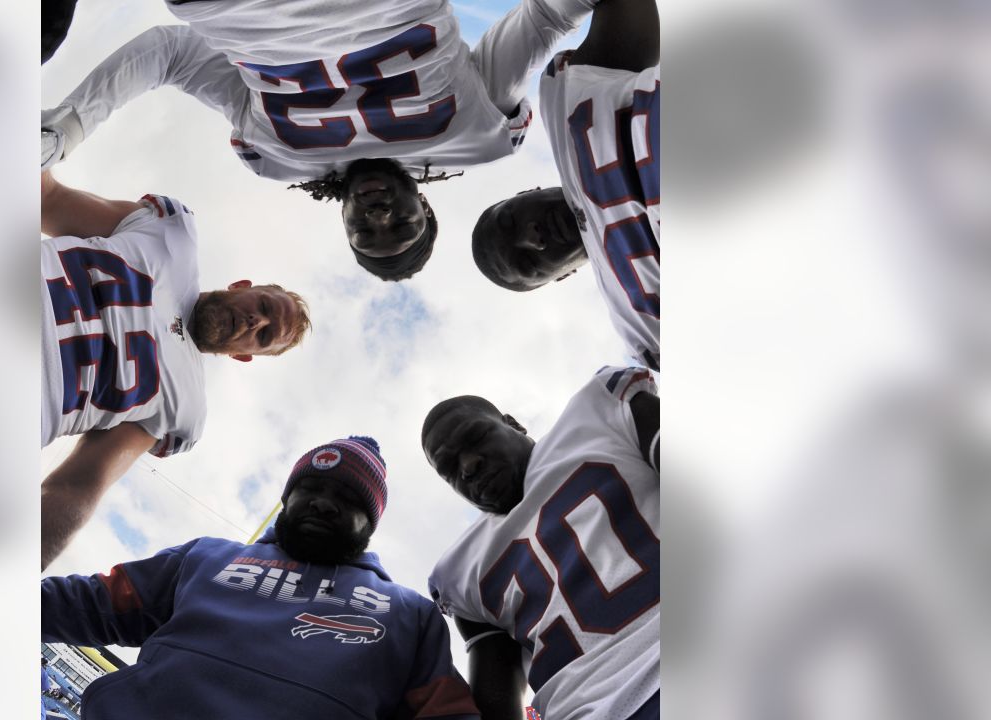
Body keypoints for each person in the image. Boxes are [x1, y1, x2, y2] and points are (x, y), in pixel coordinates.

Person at [40, 0, 604, 280]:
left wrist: (66, 129)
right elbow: (547, 15)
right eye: (401, 224)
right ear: (425, 205)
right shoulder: (481, 137)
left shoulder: (275, 157)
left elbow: (173, 52)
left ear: (344, 223)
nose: (380, 214)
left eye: (364, 231)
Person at [42, 436, 480, 719]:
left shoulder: (411, 616)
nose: (324, 504)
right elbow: (87, 602)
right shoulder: (205, 557)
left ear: (371, 523)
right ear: (286, 500)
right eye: (311, 489)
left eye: (348, 499)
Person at [40, 171, 312, 569]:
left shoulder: (184, 406)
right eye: (264, 307)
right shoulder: (172, 237)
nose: (256, 322)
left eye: (265, 336)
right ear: (241, 285)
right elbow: (47, 197)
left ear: (244, 355)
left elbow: (79, 485)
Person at [422, 366, 660, 720]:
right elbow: (496, 702)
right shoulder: (462, 574)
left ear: (514, 423)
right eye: (449, 468)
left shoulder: (600, 414)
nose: (468, 466)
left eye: (477, 437)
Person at [470, 0, 660, 370]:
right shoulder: (639, 330)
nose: (532, 236)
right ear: (560, 277)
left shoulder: (565, 106)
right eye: (528, 261)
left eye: (511, 221)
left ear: (525, 193)